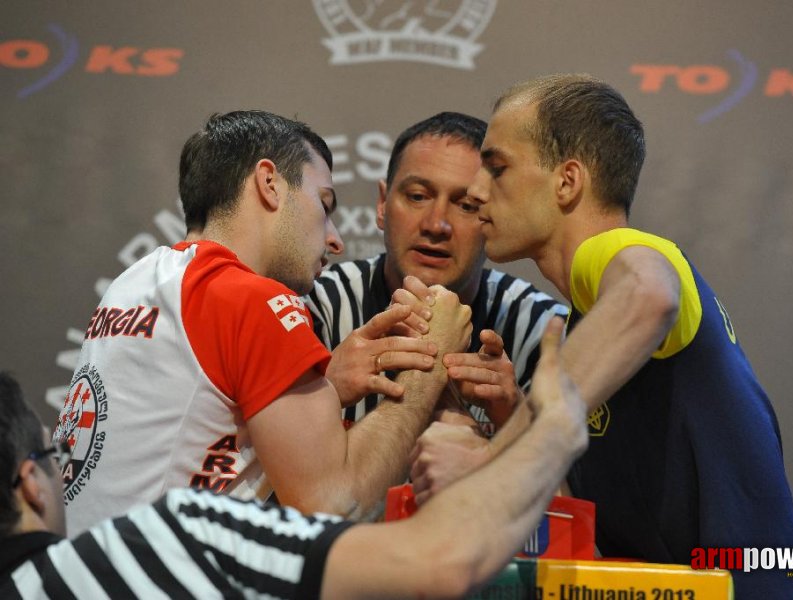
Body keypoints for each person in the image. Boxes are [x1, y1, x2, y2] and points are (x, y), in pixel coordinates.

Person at [416, 74, 793, 598]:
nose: (475, 189)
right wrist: (509, 415)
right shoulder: (590, 323)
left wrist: (492, 462)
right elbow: (582, 525)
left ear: (567, 181)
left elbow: (651, 294)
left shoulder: (622, 252)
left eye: (497, 166)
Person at [52, 110, 474, 536]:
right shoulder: (254, 299)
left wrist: (325, 388)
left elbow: (188, 425)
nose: (335, 239)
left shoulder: (136, 282)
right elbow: (334, 506)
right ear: (270, 184)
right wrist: (429, 367)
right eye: (323, 205)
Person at [1, 321, 588, 598]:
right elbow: (428, 555)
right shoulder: (173, 536)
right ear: (31, 482)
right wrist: (545, 433)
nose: (333, 238)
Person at [306, 112, 568, 435]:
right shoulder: (316, 307)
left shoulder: (542, 329)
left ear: (492, 217)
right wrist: (322, 393)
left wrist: (513, 418)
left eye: (466, 205)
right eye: (418, 196)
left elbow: (572, 480)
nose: (436, 225)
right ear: (382, 204)